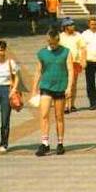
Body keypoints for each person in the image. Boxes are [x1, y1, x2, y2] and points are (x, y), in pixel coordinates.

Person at [32, 27, 73, 156]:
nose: (52, 45)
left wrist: (69, 87)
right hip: (46, 86)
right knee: (44, 114)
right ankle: (45, 143)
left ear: (58, 40)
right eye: (50, 43)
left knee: (59, 116)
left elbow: (70, 70)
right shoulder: (42, 53)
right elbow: (38, 71)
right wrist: (34, 89)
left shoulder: (66, 52)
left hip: (60, 86)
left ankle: (60, 143)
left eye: (54, 43)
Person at [58, 18, 86, 113]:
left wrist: (83, 60)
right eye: (70, 25)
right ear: (65, 27)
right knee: (64, 83)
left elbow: (83, 48)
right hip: (63, 63)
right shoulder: (60, 36)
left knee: (73, 83)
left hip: (75, 62)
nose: (73, 27)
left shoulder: (78, 35)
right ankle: (65, 104)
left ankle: (71, 104)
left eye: (73, 25)